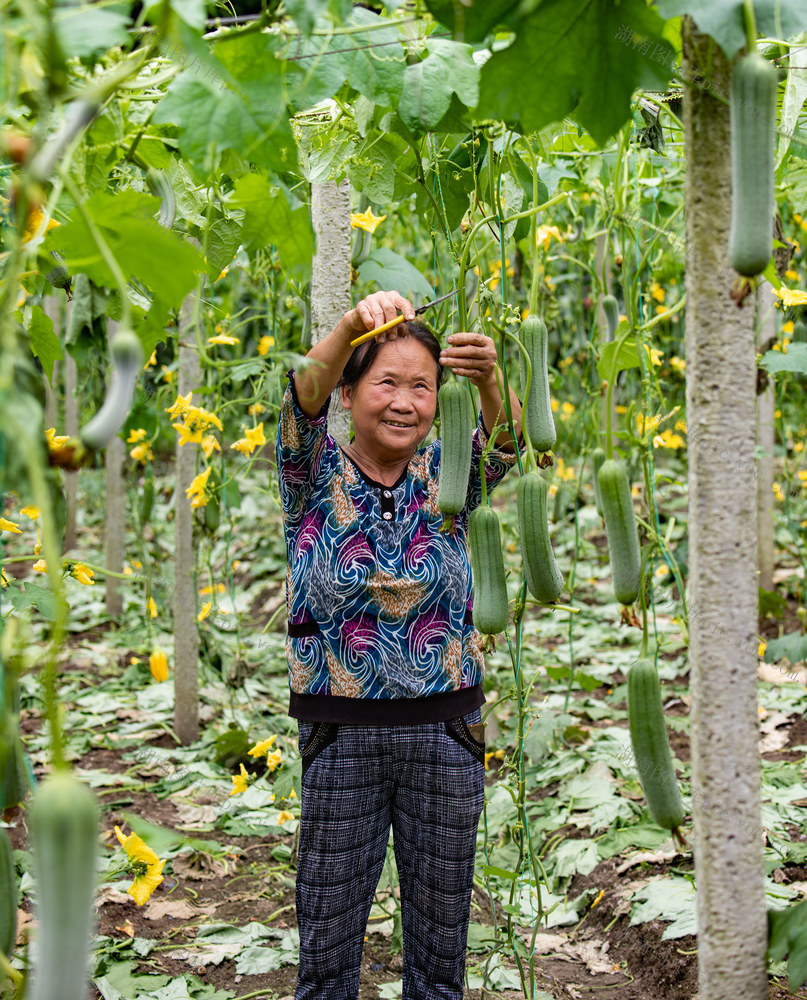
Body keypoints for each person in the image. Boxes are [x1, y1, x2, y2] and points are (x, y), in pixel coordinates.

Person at [275, 289, 523, 1000]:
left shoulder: (448, 475)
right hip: (340, 733)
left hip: (448, 732)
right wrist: (352, 325)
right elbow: (299, 401)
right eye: (386, 382)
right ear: (349, 393)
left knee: (440, 954)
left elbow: (507, 445)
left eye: (422, 386)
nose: (404, 402)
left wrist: (487, 380)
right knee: (326, 949)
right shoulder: (310, 473)